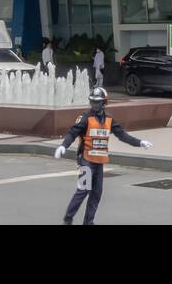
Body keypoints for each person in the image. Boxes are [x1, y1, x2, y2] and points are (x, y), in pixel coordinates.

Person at [54, 87, 152, 224]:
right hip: (85, 160)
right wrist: (63, 146)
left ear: (104, 103)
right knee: (83, 190)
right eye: (92, 101)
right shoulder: (85, 118)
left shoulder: (109, 120)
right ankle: (68, 218)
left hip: (99, 162)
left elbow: (122, 135)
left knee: (96, 194)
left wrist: (140, 143)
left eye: (97, 102)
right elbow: (72, 132)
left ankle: (88, 222)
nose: (94, 104)